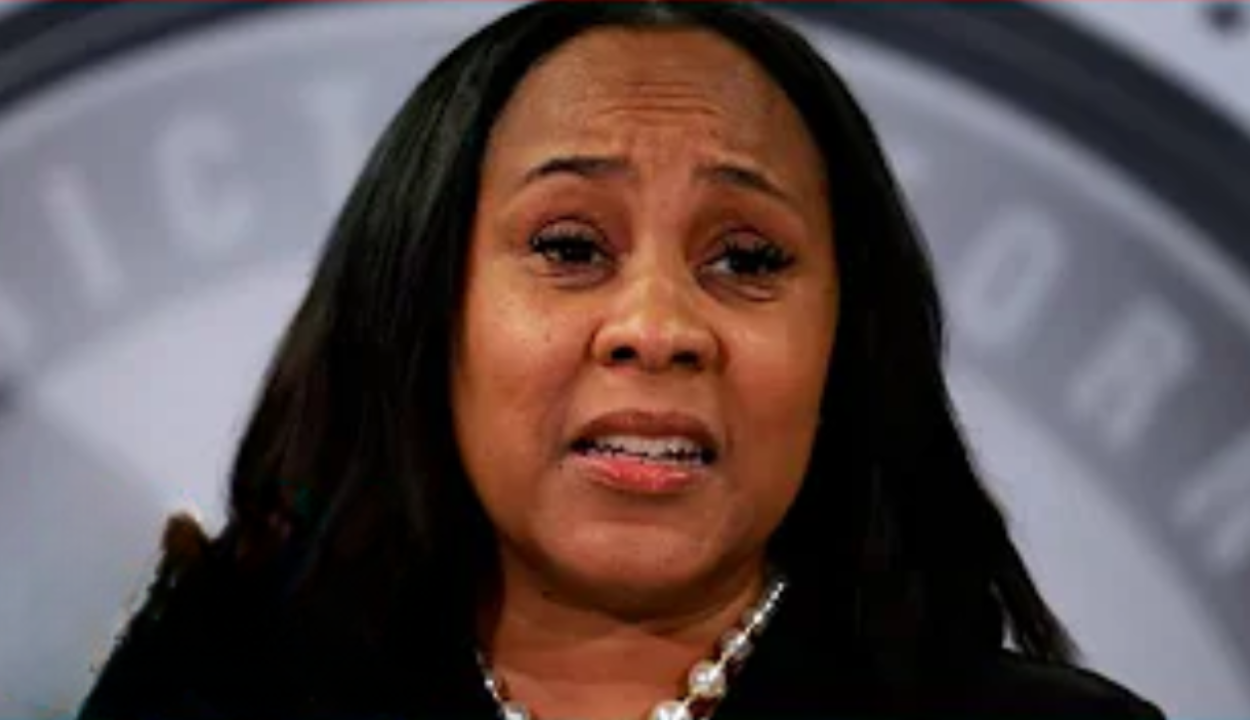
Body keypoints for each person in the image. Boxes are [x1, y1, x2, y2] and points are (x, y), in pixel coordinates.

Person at [78, 2, 1165, 719]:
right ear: (424, 306)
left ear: (845, 340)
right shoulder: (209, 699)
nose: (656, 324)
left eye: (747, 259)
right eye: (569, 247)